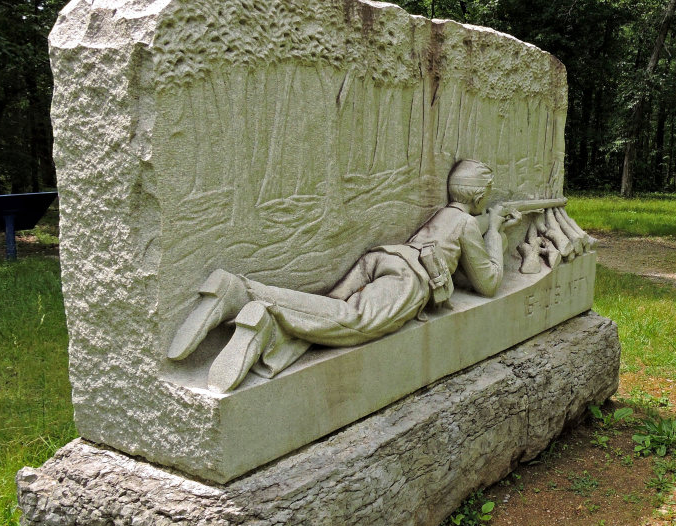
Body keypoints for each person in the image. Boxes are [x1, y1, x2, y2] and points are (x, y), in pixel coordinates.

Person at [167, 160, 524, 392]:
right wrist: (494, 230)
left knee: (328, 322)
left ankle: (266, 331)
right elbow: (489, 283)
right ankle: (242, 293)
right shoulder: (465, 222)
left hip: (383, 260)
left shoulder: (448, 215)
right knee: (352, 321)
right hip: (409, 280)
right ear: (478, 196)